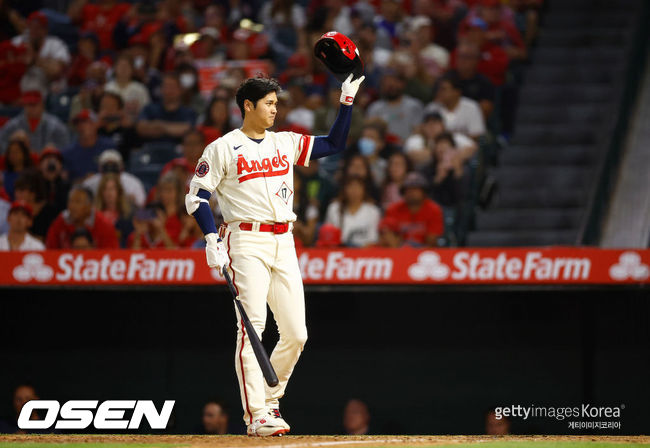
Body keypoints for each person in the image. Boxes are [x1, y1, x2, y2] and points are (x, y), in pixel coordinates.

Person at [185, 73, 364, 436]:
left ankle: (269, 398)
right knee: (252, 328)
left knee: (297, 333)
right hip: (245, 240)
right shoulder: (223, 147)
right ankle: (257, 416)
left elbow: (334, 143)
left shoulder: (284, 142)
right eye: (268, 103)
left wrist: (345, 102)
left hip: (284, 241)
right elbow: (197, 196)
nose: (274, 109)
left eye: (276, 103)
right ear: (247, 106)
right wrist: (210, 238)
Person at [380, 172, 444, 247]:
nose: (411, 192)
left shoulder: (434, 209)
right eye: (408, 189)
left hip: (424, 251)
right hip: (399, 250)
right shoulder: (393, 209)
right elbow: (389, 236)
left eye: (415, 189)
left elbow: (432, 241)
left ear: (424, 192)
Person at [46, 185, 119, 249]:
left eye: (78, 202)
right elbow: (50, 251)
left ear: (89, 206)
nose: (72, 206)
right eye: (70, 201)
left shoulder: (104, 225)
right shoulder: (60, 221)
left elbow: (111, 255)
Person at [136, 72, 197, 145]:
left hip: (178, 151)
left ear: (180, 90)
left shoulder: (189, 112)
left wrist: (159, 125)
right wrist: (172, 128)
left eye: (172, 87)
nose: (168, 91)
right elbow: (141, 129)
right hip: (151, 149)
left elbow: (186, 130)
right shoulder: (149, 109)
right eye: (166, 86)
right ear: (161, 89)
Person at [0, 90, 69, 153]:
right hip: (22, 164)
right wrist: (13, 143)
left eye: (34, 104)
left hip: (46, 162)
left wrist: (54, 150)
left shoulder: (55, 125)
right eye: (28, 105)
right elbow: (2, 142)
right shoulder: (14, 124)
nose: (31, 108)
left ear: (42, 105)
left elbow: (65, 146)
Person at [365, 71, 423, 143]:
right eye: (388, 84)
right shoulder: (375, 108)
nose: (392, 87)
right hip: (381, 147)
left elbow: (418, 131)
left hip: (407, 148)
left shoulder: (414, 106)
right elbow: (369, 132)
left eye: (395, 83)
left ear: (402, 84)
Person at [324, 175, 380, 247]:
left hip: (363, 252)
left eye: (357, 187)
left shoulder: (373, 210)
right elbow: (327, 236)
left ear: (364, 190)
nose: (354, 190)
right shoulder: (333, 208)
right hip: (339, 249)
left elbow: (373, 239)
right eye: (350, 186)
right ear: (344, 189)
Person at [425, 75, 486, 140]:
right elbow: (422, 131)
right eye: (439, 89)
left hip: (466, 147)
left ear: (457, 92)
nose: (439, 92)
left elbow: (477, 134)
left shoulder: (471, 107)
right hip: (438, 147)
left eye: (444, 89)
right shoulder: (432, 107)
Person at [63, 109, 115, 182]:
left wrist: (96, 179)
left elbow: (116, 174)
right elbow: (65, 181)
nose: (82, 126)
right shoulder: (68, 152)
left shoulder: (108, 147)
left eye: (86, 122)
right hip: (79, 190)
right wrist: (84, 180)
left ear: (96, 124)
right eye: (78, 123)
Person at [13, 170, 58, 241]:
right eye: (16, 190)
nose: (17, 194)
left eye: (21, 191)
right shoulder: (15, 210)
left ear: (33, 193)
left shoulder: (50, 212)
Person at [104, 54, 151, 119]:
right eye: (121, 66)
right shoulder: (107, 88)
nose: (123, 69)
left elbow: (147, 112)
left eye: (126, 66)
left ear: (132, 69)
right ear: (115, 68)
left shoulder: (141, 89)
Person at [95, 172, 133, 247]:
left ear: (119, 191)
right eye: (105, 189)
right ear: (101, 193)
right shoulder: (94, 216)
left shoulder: (129, 214)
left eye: (112, 189)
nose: (109, 193)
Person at [39, 146, 71, 214]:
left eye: (55, 160)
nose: (51, 164)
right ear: (40, 165)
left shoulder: (67, 186)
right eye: (48, 159)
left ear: (61, 165)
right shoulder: (34, 186)